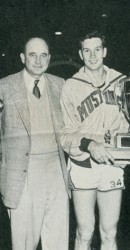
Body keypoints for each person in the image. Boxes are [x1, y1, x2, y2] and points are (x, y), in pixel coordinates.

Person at [60, 31, 129, 250]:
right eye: (87, 50)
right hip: (83, 164)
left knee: (110, 231)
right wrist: (89, 144)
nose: (92, 55)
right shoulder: (71, 86)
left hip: (111, 162)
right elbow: (65, 135)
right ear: (81, 54)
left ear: (105, 51)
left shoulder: (122, 82)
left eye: (97, 49)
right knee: (85, 230)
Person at [0, 36, 70, 250]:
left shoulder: (60, 85)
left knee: (57, 241)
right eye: (32, 55)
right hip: (22, 175)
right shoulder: (5, 86)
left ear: (49, 58)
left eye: (43, 55)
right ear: (23, 58)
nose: (38, 61)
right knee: (23, 244)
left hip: (56, 173)